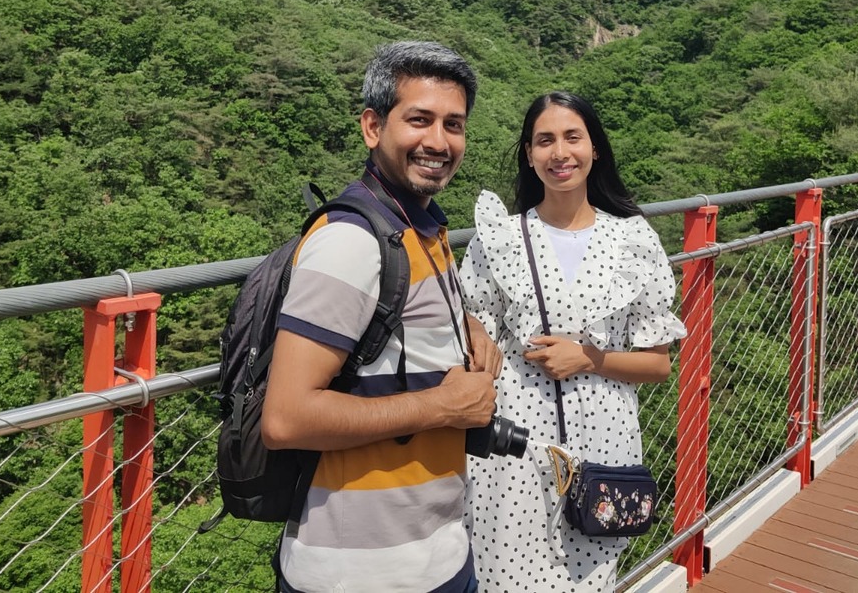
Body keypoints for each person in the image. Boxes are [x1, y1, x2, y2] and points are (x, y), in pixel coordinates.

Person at [262, 40, 503, 593]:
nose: (439, 141)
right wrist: (442, 405)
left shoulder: (421, 229)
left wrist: (462, 326)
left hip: (437, 552)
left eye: (454, 124)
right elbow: (287, 418)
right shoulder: (350, 241)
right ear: (373, 127)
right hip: (361, 572)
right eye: (419, 119)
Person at [460, 91, 686, 592]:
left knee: (592, 575)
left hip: (605, 437)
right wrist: (476, 336)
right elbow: (473, 329)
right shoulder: (500, 237)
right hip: (514, 442)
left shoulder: (632, 239)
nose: (559, 153)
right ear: (528, 154)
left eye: (572, 138)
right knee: (506, 573)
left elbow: (658, 365)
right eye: (545, 141)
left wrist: (589, 357)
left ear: (594, 149)